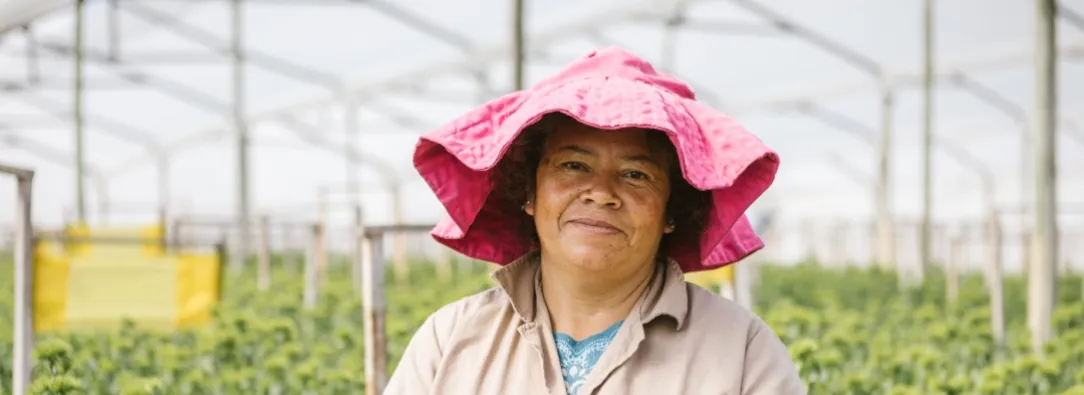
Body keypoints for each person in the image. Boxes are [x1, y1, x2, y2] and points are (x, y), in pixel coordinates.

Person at [385, 46, 805, 395]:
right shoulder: (450, 340)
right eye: (573, 166)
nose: (601, 192)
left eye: (635, 174)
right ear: (528, 191)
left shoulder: (743, 352)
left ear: (672, 210)